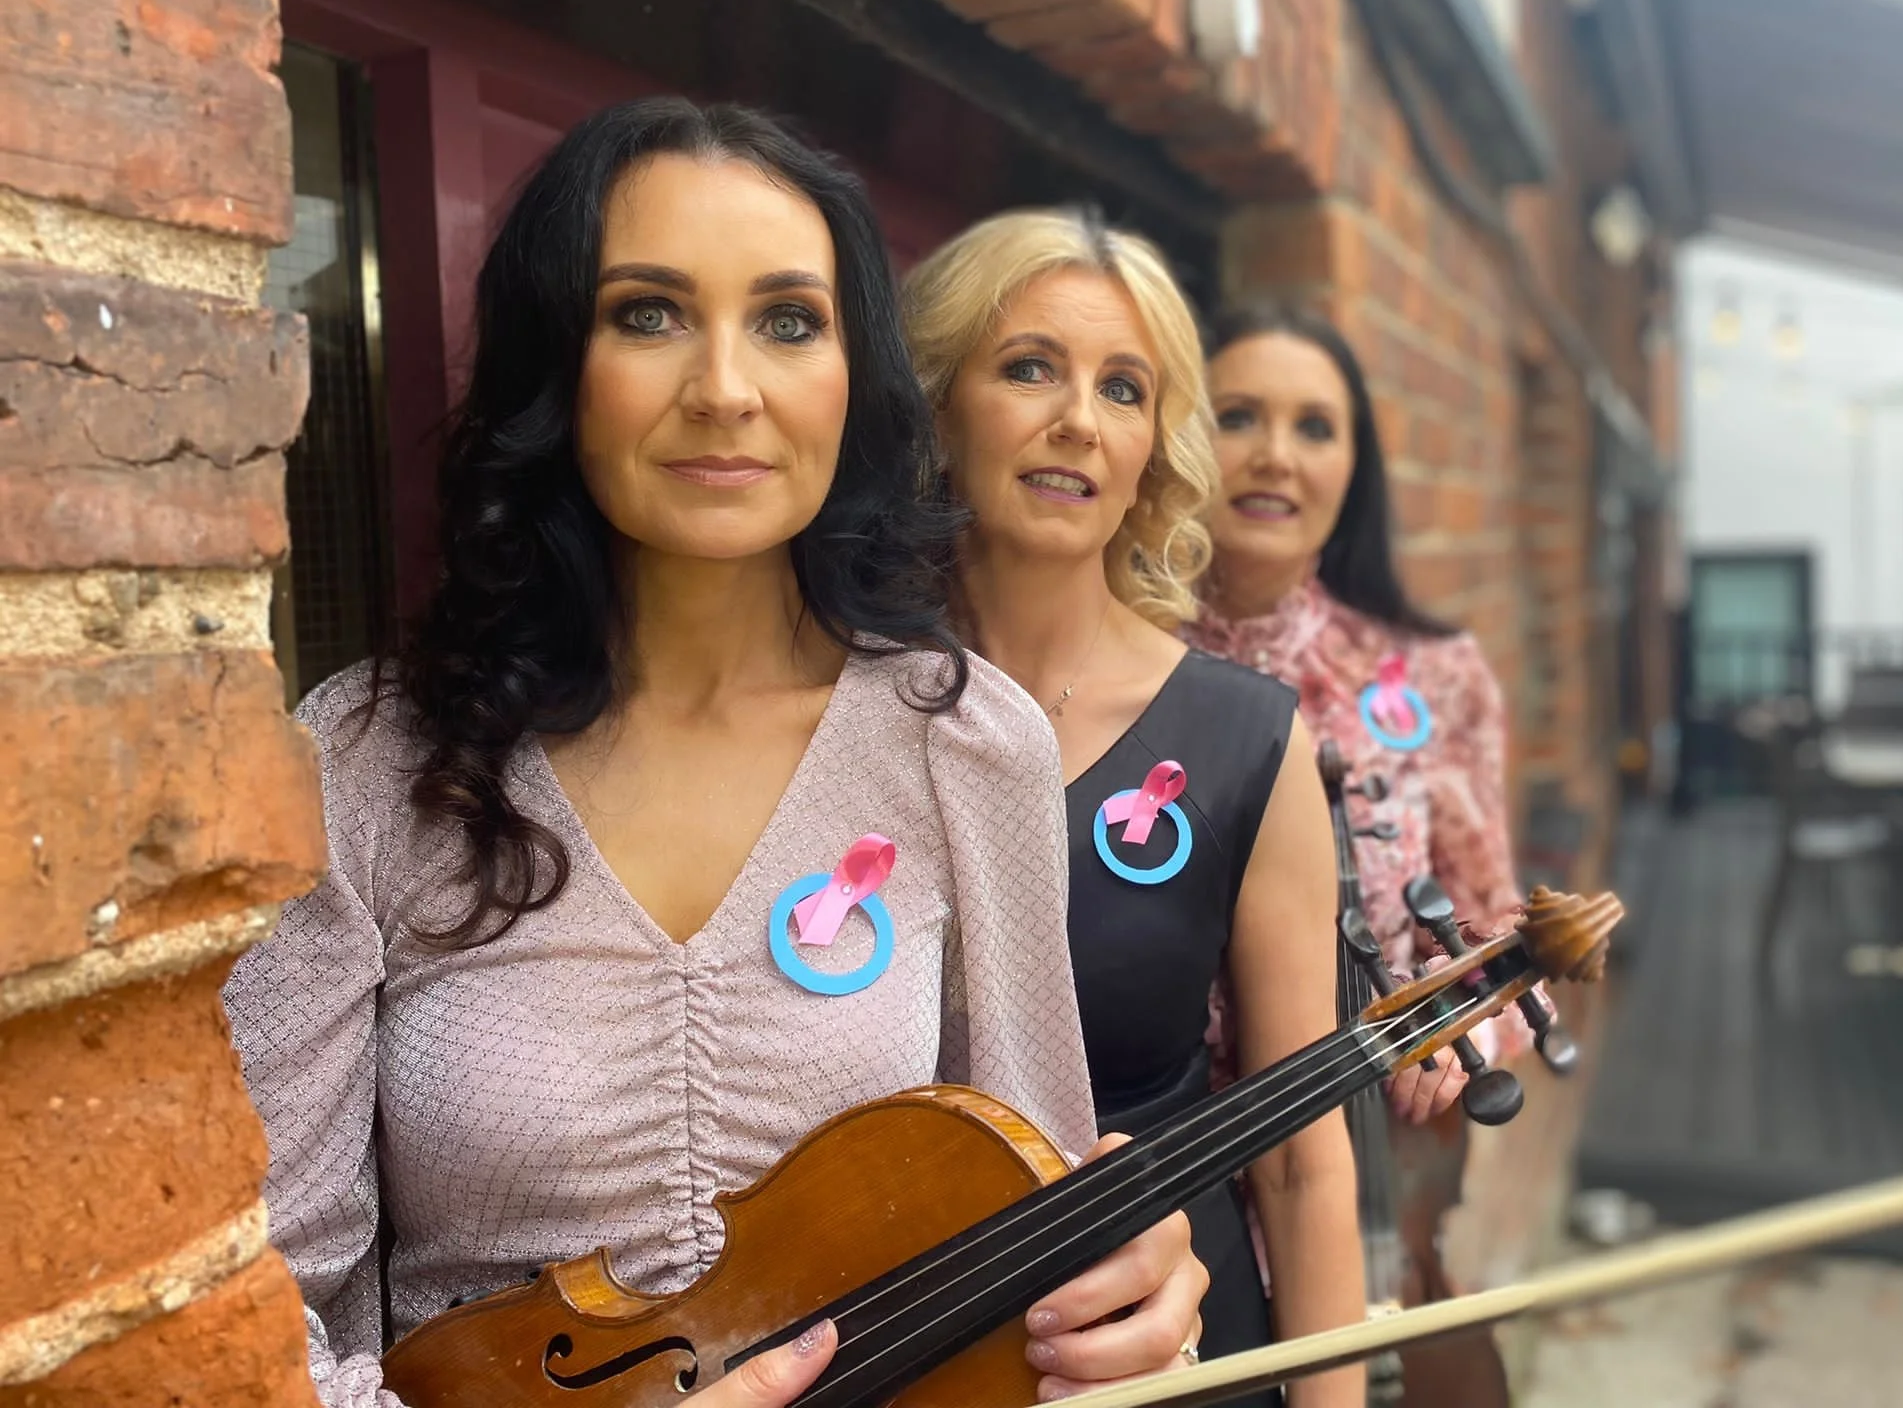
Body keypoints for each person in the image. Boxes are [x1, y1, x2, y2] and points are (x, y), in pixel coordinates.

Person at [222, 101, 1205, 1407]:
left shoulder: (965, 744)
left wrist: (1125, 1318)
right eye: (648, 313)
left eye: (790, 321)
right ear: (556, 363)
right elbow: (242, 1317)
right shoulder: (366, 759)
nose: (726, 389)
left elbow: (1034, 1226)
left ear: (856, 379)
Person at [900, 209, 1366, 1408]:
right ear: (936, 405)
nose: (1075, 422)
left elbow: (1305, 1166)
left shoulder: (1244, 738)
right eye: (1027, 369)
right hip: (901, 1351)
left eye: (1122, 388)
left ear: (1154, 443)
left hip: (1177, 1353)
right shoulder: (821, 706)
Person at [1184, 302, 1534, 1400]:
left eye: (1314, 427)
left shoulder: (1428, 677)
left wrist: (1457, 1019)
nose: (1275, 455)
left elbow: (1497, 933)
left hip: (1379, 1165)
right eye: (1235, 415)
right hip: (1170, 1177)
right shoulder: (1109, 668)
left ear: (1354, 467)